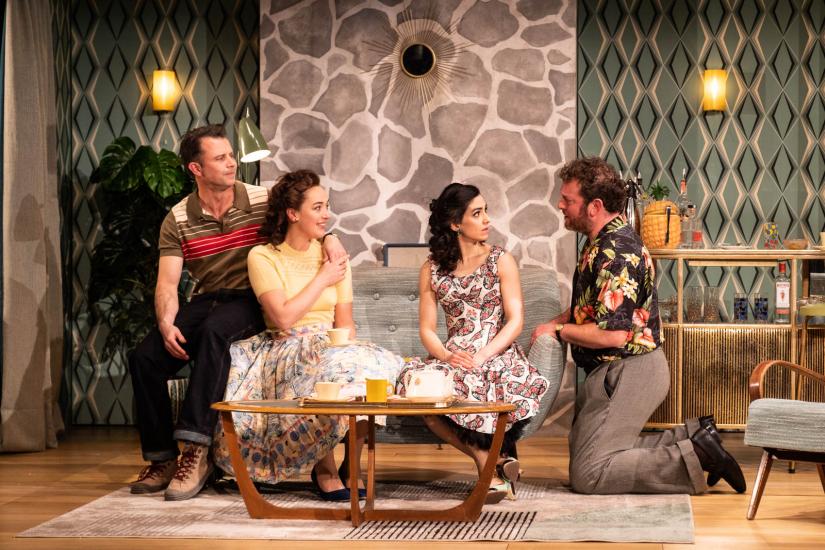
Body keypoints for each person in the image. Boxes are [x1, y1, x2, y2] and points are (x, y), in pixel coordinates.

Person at [127, 125, 346, 501]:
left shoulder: (262, 200)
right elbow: (167, 284)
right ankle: (162, 458)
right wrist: (166, 323)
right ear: (196, 169)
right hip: (207, 297)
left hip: (251, 297)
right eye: (220, 158)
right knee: (145, 357)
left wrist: (330, 236)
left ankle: (196, 452)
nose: (232, 163)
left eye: (231, 155)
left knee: (216, 331)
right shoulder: (178, 219)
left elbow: (305, 217)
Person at [532, 157, 745, 495]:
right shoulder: (601, 241)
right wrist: (557, 321)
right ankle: (694, 436)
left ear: (595, 206)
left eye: (568, 200)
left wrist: (558, 332)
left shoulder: (618, 252)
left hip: (630, 370)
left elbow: (612, 333)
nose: (560, 205)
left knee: (590, 474)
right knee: (587, 457)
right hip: (617, 369)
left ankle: (694, 455)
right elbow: (592, 309)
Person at [212, 169, 404, 501]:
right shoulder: (264, 256)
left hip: (331, 343)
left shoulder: (334, 255)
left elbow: (345, 322)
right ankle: (324, 467)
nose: (326, 214)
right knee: (324, 371)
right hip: (285, 345)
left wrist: (346, 345)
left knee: (363, 367)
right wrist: (323, 277)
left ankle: (351, 466)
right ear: (292, 213)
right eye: (317, 207)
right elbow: (281, 317)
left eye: (326, 205)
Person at [396, 183, 550, 502]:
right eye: (477, 213)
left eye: (485, 212)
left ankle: (492, 471)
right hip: (454, 354)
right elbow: (427, 328)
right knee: (419, 391)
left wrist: (482, 356)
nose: (486, 220)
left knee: (478, 381)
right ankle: (492, 464)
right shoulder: (433, 269)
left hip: (496, 350)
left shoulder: (500, 260)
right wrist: (444, 355)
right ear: (455, 223)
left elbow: (516, 320)